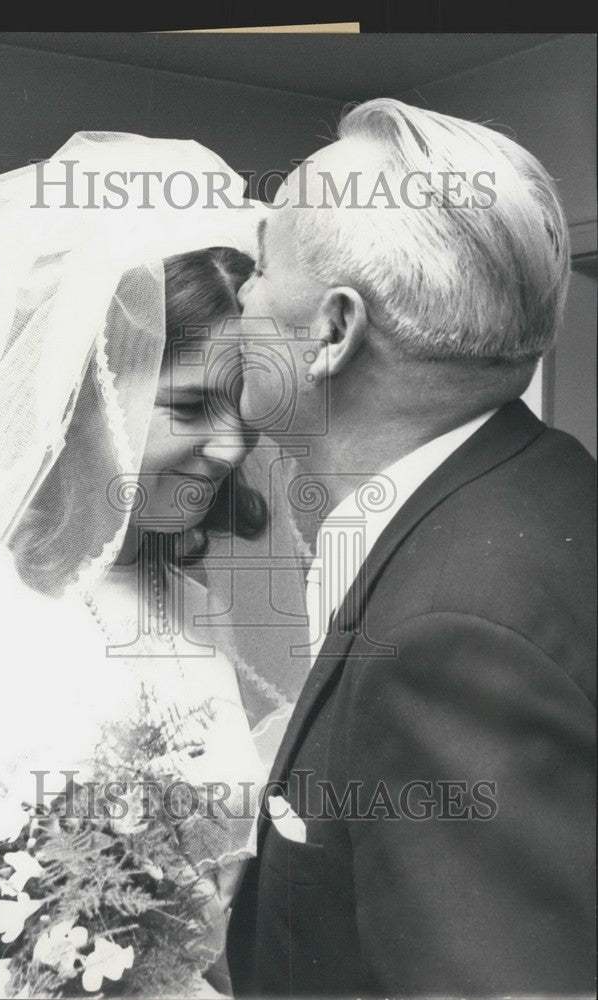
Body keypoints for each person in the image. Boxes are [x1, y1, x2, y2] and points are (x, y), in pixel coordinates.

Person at [227, 98, 596, 997]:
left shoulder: (453, 630)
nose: (240, 295)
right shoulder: (549, 486)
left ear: (332, 330)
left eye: (262, 265)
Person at [0, 133, 290, 989]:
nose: (229, 447)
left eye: (245, 409)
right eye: (189, 406)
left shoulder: (183, 603)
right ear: (92, 394)